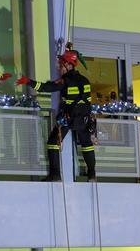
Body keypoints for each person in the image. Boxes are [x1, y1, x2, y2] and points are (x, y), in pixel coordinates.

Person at [16, 47, 95, 182]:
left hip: (69, 118)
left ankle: (55, 175)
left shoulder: (65, 81)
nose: (59, 68)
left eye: (61, 65)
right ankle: (92, 174)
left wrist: (29, 82)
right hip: (85, 118)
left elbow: (47, 87)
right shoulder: (85, 80)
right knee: (87, 144)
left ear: (68, 65)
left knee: (53, 142)